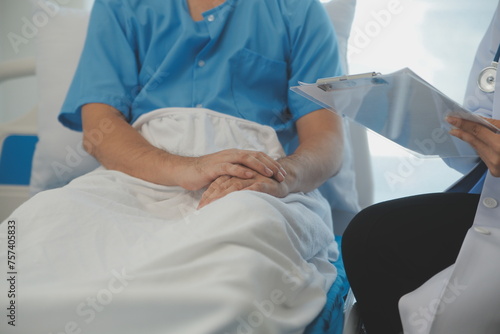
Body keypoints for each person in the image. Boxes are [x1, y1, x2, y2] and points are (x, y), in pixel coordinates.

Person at [0, 0, 349, 333]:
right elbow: (99, 130)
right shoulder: (122, 7)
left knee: (236, 275)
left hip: (250, 181)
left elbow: (328, 142)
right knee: (41, 226)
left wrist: (280, 178)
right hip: (136, 174)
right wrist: (186, 167)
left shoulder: (297, 10)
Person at [342, 2, 500, 333]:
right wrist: (425, 121)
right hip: (488, 201)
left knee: (372, 238)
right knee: (375, 237)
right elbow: (482, 118)